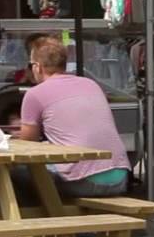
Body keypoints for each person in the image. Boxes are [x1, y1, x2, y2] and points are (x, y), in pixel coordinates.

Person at [14, 40, 131, 197]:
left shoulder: (35, 94)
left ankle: (32, 220)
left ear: (37, 66)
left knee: (7, 173)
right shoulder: (91, 84)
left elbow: (27, 144)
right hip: (120, 178)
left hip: (82, 181)